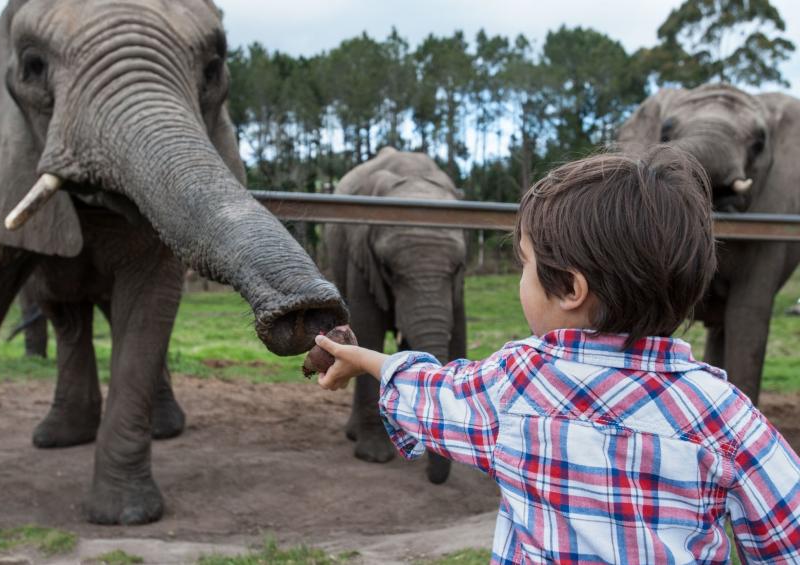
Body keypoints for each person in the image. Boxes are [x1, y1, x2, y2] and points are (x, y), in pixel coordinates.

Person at [314, 147, 800, 564]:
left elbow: (432, 394)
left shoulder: (515, 384)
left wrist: (365, 359)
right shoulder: (724, 412)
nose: (521, 280)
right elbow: (787, 537)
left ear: (569, 288)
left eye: (525, 265)